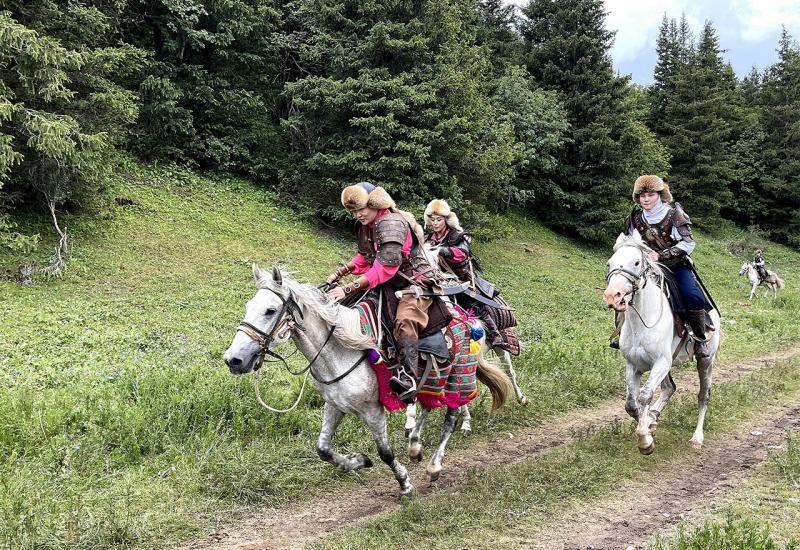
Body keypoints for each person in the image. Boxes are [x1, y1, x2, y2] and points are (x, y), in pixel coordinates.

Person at [325, 182, 447, 403]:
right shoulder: (366, 225)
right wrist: (340, 273)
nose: (358, 215)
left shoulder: (391, 222)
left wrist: (348, 288)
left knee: (405, 321)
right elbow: (364, 257)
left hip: (411, 282)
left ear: (374, 203)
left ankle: (408, 377)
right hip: (384, 282)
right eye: (353, 211)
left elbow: (386, 268)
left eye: (362, 209)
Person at [612, 175, 714, 358]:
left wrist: (661, 255)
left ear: (660, 194)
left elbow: (688, 244)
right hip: (645, 269)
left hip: (675, 266)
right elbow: (627, 242)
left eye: (650, 194)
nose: (646, 199)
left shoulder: (675, 215)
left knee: (692, 295)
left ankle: (700, 340)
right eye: (642, 195)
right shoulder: (634, 219)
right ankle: (621, 334)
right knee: (622, 293)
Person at [424, 199, 505, 348]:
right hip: (437, 278)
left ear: (446, 220)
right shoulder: (429, 239)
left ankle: (494, 335)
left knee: (471, 303)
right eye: (433, 220)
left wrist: (442, 250)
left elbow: (462, 253)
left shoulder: (457, 236)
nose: (435, 223)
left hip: (460, 278)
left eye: (439, 220)